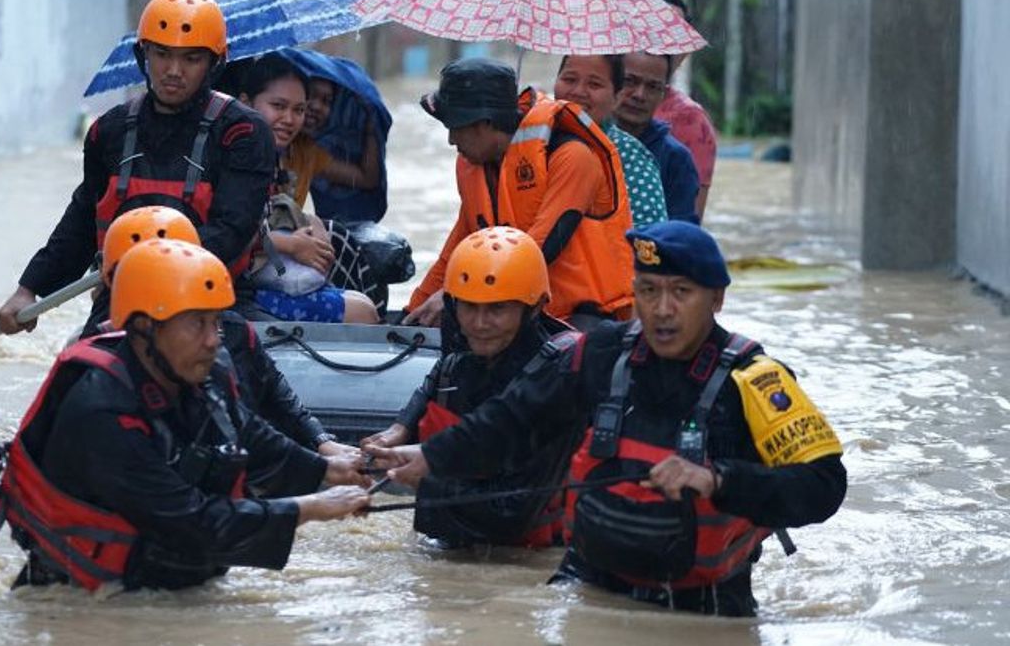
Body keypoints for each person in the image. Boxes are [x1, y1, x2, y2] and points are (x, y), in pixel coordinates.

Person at [372, 221, 847, 616]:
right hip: (589, 591)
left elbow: (824, 486)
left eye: (681, 292)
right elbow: (510, 419)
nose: (662, 310)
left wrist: (719, 480)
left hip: (705, 610)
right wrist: (426, 456)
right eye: (648, 290)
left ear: (717, 299)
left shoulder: (756, 380)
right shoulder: (599, 354)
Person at [0, 238, 371, 592]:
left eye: (216, 322)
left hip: (159, 578)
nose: (213, 340)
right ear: (143, 328)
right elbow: (193, 522)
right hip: (88, 600)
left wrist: (325, 469)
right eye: (195, 323)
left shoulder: (191, 368)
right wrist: (312, 507)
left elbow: (243, 429)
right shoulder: (100, 412)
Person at [0, 0, 275, 336]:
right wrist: (29, 288)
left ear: (214, 64)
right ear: (142, 54)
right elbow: (83, 220)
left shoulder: (243, 132)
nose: (173, 70)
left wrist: (147, 266)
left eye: (191, 58)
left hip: (213, 297)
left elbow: (233, 229)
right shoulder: (108, 132)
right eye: (162, 54)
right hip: (121, 298)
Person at [362, 227, 580, 548]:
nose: (479, 324)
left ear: (533, 309)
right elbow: (438, 377)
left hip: (532, 558)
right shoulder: (460, 365)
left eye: (497, 309)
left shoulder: (558, 377)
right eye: (469, 307)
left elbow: (513, 514)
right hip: (460, 544)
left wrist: (427, 478)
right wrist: (400, 428)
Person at [97, 206, 357, 458]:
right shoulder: (99, 375)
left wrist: (321, 447)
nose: (211, 341)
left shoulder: (232, 333)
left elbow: (259, 416)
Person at [404, 58, 636, 330]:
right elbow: (455, 253)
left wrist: (451, 295)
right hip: (510, 313)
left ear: (483, 124)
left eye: (455, 128)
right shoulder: (475, 164)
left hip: (580, 318)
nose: (451, 140)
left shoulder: (573, 157)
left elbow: (535, 252)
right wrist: (409, 315)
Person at [235, 54, 379, 325]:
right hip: (238, 287)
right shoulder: (232, 157)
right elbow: (227, 233)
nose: (289, 119)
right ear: (244, 103)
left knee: (360, 295)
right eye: (278, 106)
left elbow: (365, 178)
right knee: (363, 313)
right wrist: (291, 244)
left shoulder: (278, 155)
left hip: (270, 271)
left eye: (298, 110)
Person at [553, 55, 668, 228]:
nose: (577, 92)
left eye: (594, 84)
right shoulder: (530, 137)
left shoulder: (630, 157)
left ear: (617, 96)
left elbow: (649, 239)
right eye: (569, 79)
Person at [280, 48, 392, 224]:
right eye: (311, 95)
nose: (317, 106)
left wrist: (370, 130)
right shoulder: (262, 142)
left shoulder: (310, 153)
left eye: (326, 101)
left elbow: (366, 179)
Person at [613, 52, 701, 224]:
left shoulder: (676, 159)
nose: (639, 95)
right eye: (629, 81)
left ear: (664, 94)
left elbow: (681, 236)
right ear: (611, 81)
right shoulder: (582, 141)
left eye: (653, 87)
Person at [654, 0, 718, 220]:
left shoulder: (691, 119)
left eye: (675, 33)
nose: (664, 42)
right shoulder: (601, 98)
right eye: (657, 27)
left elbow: (690, 220)